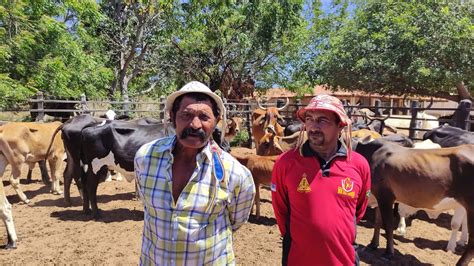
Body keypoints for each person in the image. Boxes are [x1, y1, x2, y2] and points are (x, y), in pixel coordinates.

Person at [134, 81, 255, 265]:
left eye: (204, 117)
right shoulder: (145, 158)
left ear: (216, 121)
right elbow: (148, 207)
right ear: (172, 116)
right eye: (186, 115)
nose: (195, 124)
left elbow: (235, 222)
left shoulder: (236, 174)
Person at [271, 94, 371, 266]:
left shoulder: (359, 165)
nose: (313, 126)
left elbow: (358, 211)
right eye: (309, 119)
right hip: (298, 259)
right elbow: (281, 211)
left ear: (340, 125)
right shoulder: (286, 163)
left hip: (343, 260)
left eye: (322, 120)